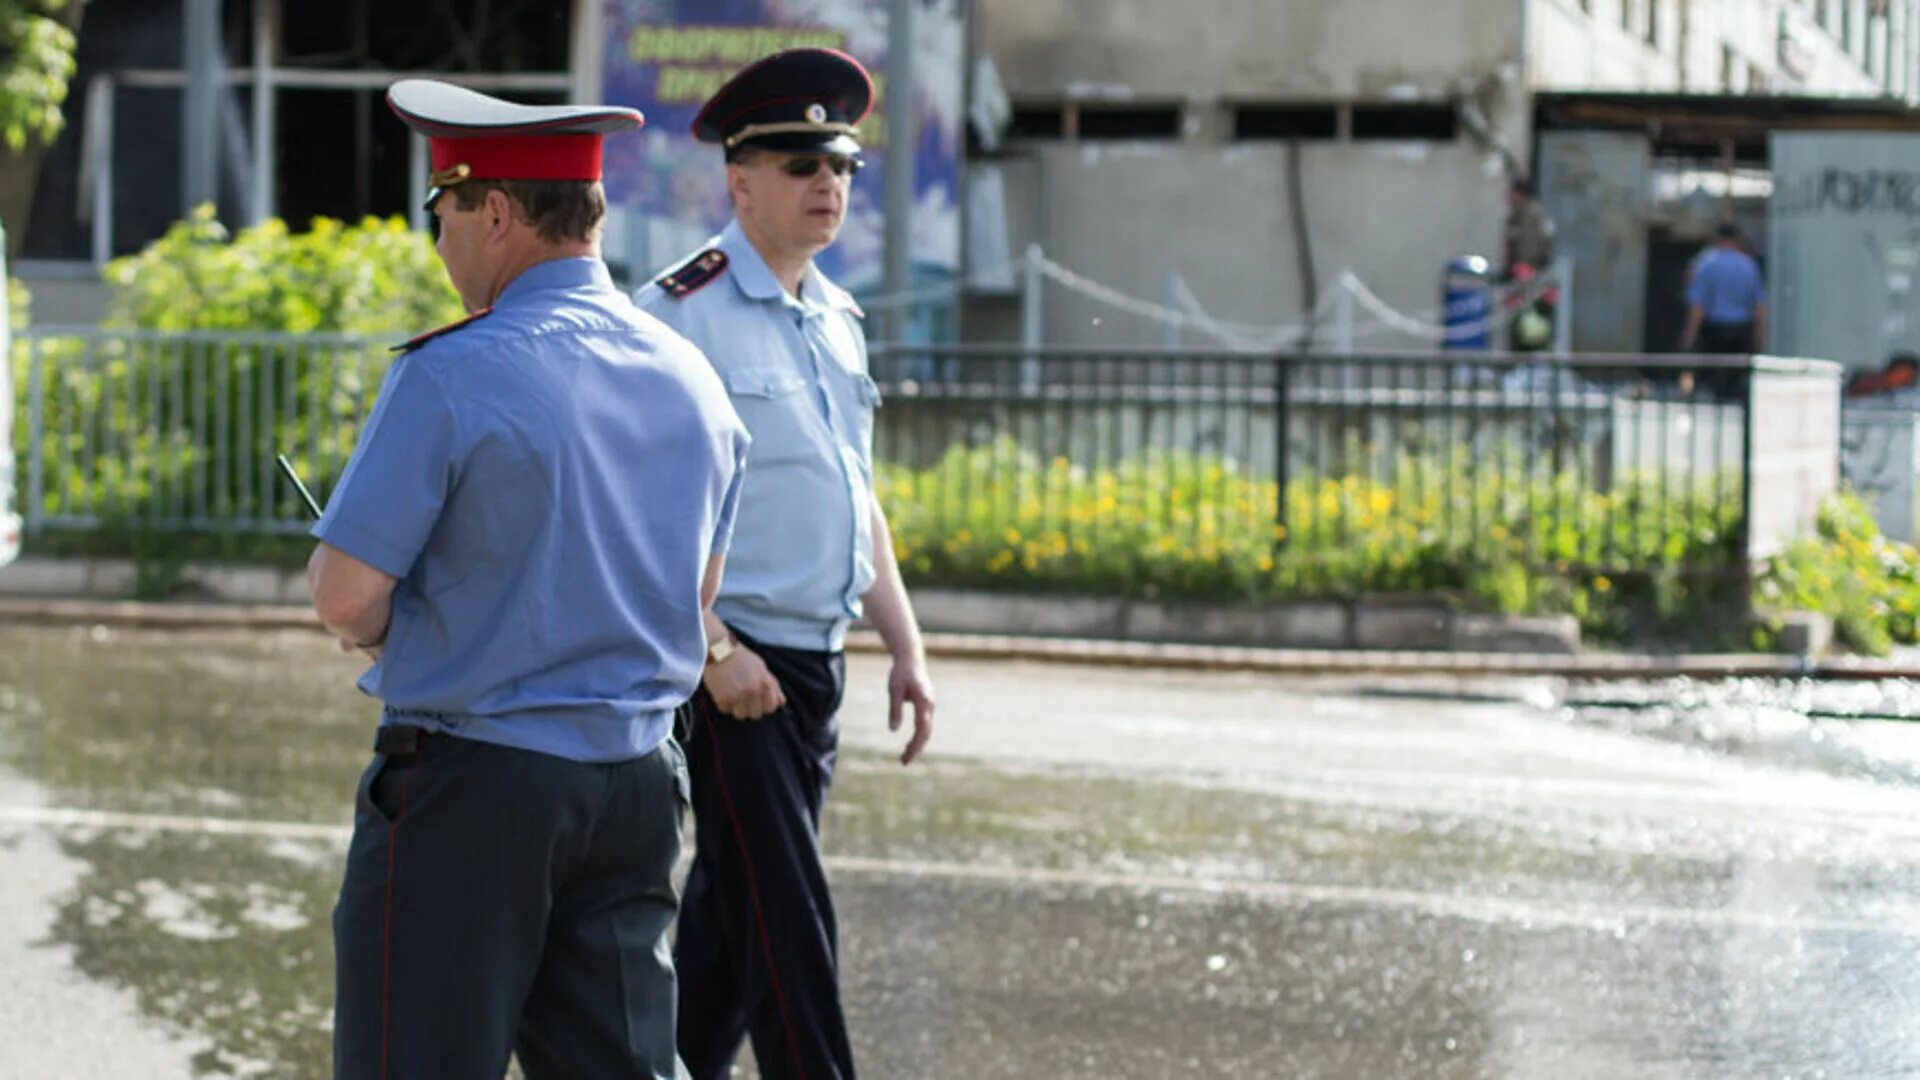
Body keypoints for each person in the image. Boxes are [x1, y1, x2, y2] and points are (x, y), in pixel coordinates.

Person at [307, 78, 748, 1079]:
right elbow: (697, 593)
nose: (442, 243)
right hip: (635, 783)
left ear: (495, 212)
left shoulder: (454, 371)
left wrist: (406, 628)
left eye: (442, 214)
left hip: (476, 787)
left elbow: (342, 596)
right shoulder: (693, 378)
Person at [633, 48, 935, 1080]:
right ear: (740, 179)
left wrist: (905, 642)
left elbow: (854, 494)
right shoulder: (677, 316)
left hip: (814, 664)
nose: (828, 186)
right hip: (734, 670)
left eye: (841, 165)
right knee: (789, 920)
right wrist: (713, 647)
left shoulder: (836, 319)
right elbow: (633, 509)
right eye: (801, 163)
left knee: (734, 915)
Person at [1678, 222, 1766, 395]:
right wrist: (1759, 337)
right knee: (1738, 381)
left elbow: (1697, 306)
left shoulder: (1706, 264)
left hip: (1714, 330)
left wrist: (1689, 334)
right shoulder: (1748, 266)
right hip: (1742, 329)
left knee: (1711, 379)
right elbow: (1758, 306)